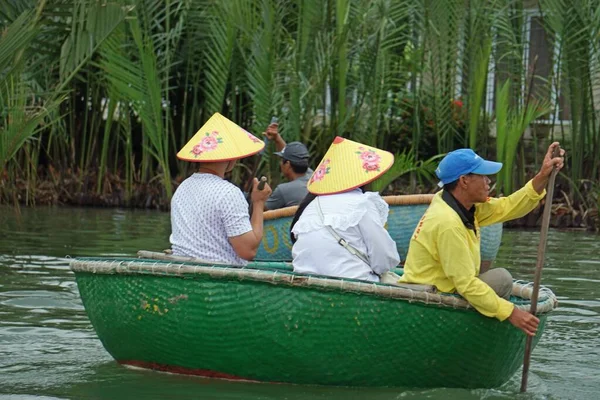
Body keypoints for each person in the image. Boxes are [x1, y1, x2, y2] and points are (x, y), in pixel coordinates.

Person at [400, 142, 565, 336]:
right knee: (502, 279)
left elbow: (508, 206)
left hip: (446, 286)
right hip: (433, 297)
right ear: (464, 181)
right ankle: (481, 333)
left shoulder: (461, 204)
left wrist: (542, 176)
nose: (488, 182)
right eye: (483, 176)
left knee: (499, 280)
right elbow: (466, 284)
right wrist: (511, 312)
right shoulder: (447, 223)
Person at [290, 136, 400, 282]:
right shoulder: (361, 204)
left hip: (306, 286)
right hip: (353, 287)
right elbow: (385, 259)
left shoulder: (311, 205)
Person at [169, 112, 272, 266]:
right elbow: (248, 251)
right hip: (219, 283)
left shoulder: (182, 188)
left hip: (183, 272)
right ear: (230, 158)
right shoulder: (228, 193)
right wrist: (258, 203)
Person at [262, 123, 313, 210]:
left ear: (288, 164)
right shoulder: (313, 177)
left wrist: (259, 197)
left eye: (281, 160)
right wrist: (277, 138)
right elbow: (291, 155)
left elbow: (260, 210)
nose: (280, 163)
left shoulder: (283, 190)